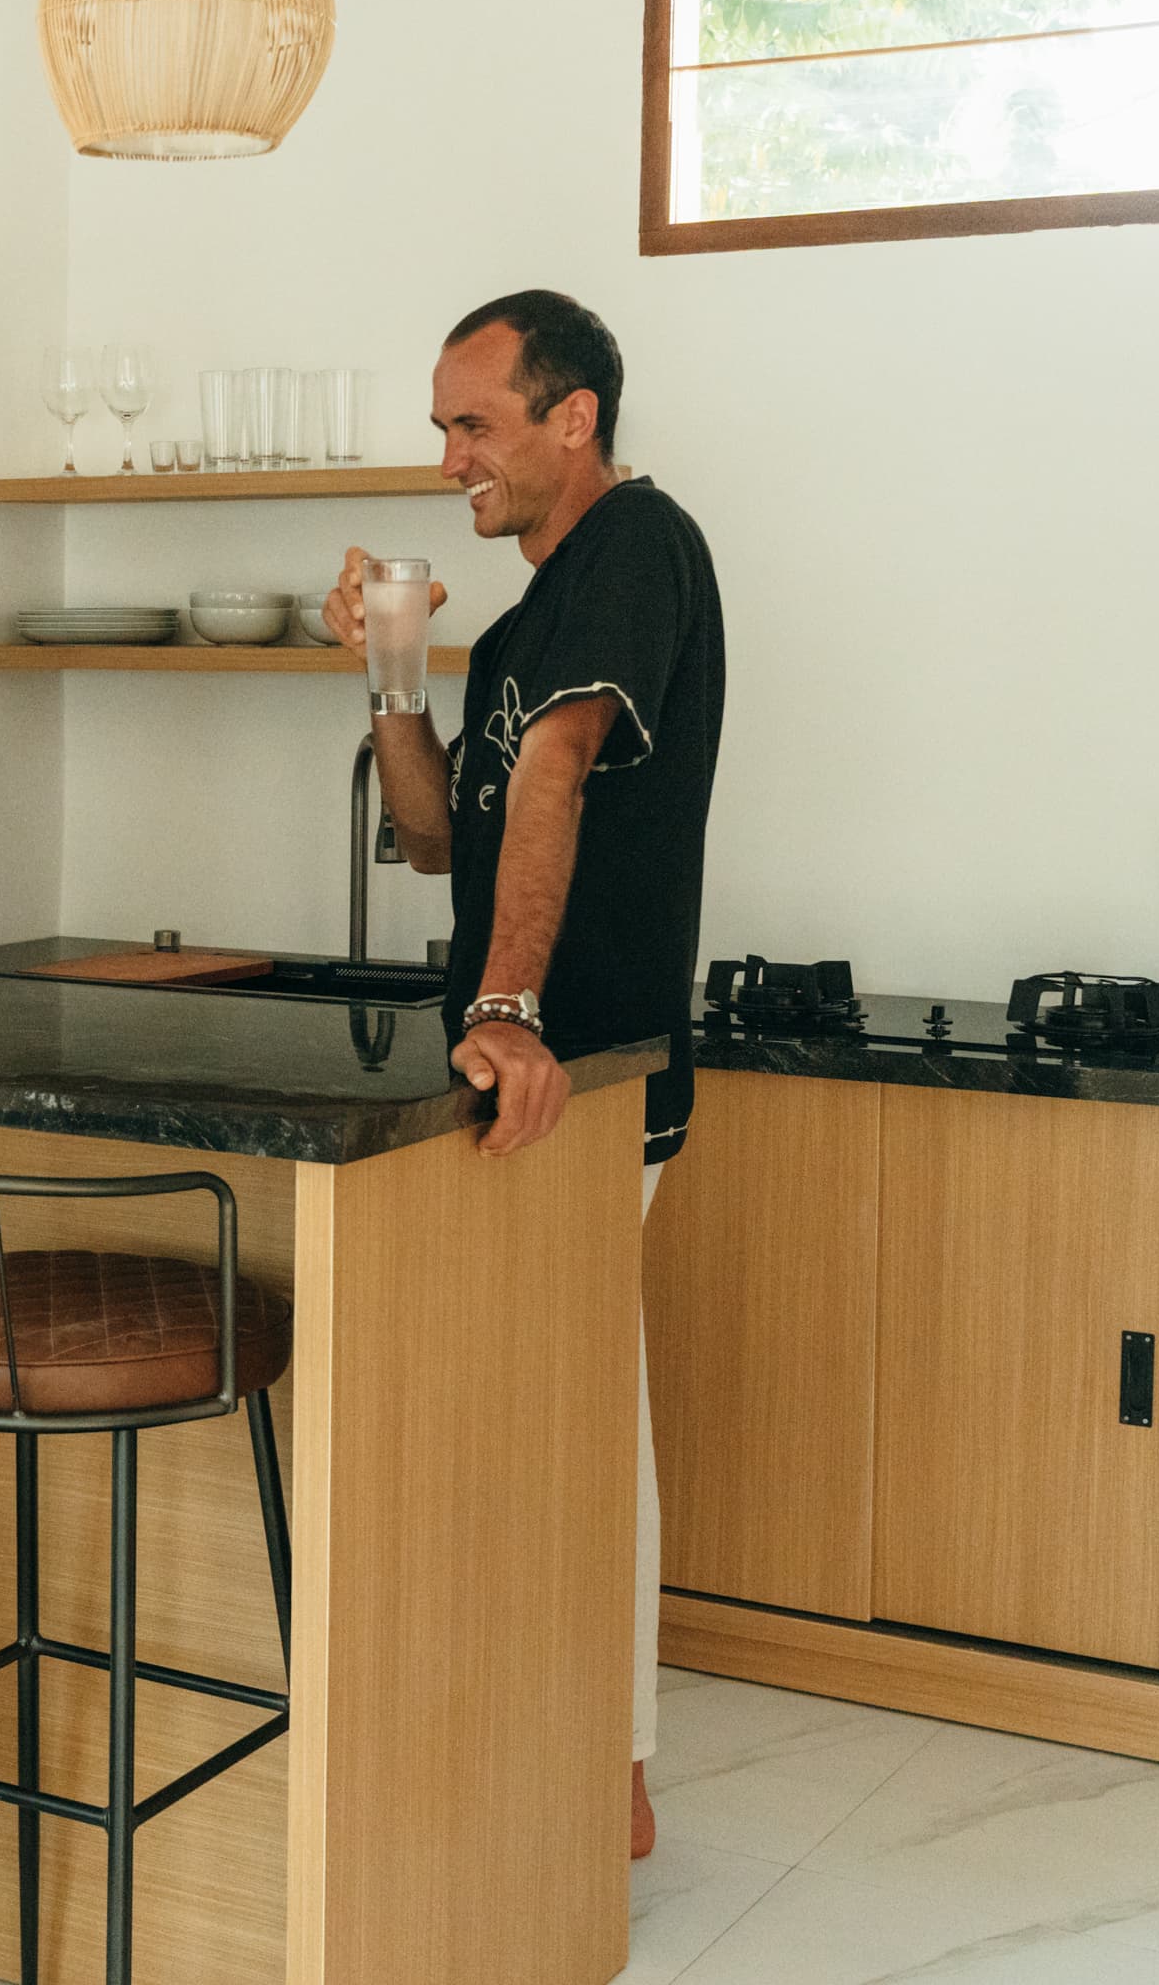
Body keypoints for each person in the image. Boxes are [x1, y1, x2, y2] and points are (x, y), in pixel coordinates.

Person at [322, 290, 724, 1861]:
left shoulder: (638, 548)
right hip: (526, 1068)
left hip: (589, 1068)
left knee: (578, 1419)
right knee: (546, 1416)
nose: (448, 459)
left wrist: (507, 1008)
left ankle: (612, 1771)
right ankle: (575, 1751)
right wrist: (395, 671)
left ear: (576, 419)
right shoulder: (523, 623)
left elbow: (556, 771)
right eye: (440, 427)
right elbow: (438, 836)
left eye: (472, 423)